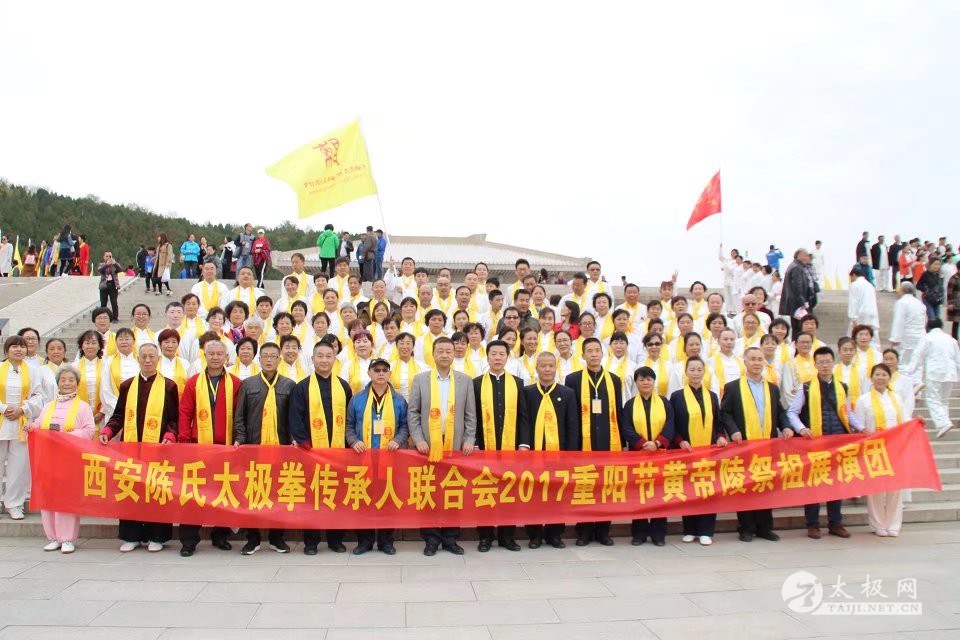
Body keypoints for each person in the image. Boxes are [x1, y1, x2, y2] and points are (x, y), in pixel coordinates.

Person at [99, 344, 179, 551]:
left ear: (158, 359)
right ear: (138, 359)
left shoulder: (169, 386)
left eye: (152, 356)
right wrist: (107, 431)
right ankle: (131, 536)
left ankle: (157, 537)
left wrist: (170, 435)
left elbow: (174, 419)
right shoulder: (127, 386)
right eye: (144, 356)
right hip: (131, 449)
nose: (148, 360)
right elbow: (118, 415)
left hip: (158, 449)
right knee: (131, 490)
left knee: (156, 490)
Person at [407, 337, 477, 556]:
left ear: (454, 354)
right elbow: (413, 412)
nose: (445, 355)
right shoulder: (421, 380)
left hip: (455, 445)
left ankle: (450, 538)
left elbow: (470, 415)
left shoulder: (465, 381)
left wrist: (469, 439)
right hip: (428, 446)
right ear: (433, 354)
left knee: (452, 490)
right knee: (430, 492)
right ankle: (431, 538)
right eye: (441, 351)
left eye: (449, 351)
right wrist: (418, 438)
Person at [787, 346, 865, 539]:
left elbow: (847, 413)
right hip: (814, 444)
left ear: (833, 363)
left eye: (828, 362)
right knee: (813, 484)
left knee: (835, 484)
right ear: (815, 364)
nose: (824, 365)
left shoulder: (842, 387)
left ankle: (835, 523)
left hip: (838, 442)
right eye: (821, 362)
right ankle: (812, 524)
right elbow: (792, 412)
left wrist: (862, 429)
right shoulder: (806, 387)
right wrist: (801, 429)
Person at [176, 337, 241, 556]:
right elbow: (185, 413)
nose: (215, 357)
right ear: (204, 356)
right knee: (193, 495)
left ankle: (220, 535)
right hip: (198, 447)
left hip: (226, 447)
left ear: (226, 357)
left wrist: (238, 440)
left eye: (219, 354)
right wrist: (184, 441)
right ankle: (188, 541)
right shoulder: (194, 382)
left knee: (223, 492)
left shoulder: (235, 383)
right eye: (211, 353)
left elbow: (239, 415)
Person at [288, 341, 354, 554]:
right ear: (313, 359)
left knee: (337, 495)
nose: (324, 360)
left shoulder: (343, 386)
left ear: (334, 359)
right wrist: (305, 443)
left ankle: (335, 539)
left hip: (338, 453)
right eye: (320, 356)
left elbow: (350, 419)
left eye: (328, 356)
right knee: (312, 497)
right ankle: (311, 542)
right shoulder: (302, 387)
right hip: (311, 452)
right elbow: (295, 417)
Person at [721, 347, 791, 543]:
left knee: (765, 485)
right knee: (745, 487)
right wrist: (733, 430)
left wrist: (785, 427)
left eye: (760, 359)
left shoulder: (772, 388)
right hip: (743, 445)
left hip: (767, 445)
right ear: (745, 362)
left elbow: (780, 412)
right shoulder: (733, 387)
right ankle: (746, 528)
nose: (757, 363)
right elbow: (725, 413)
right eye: (752, 359)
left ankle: (764, 528)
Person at [24, 364, 96, 552]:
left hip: (70, 459)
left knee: (66, 497)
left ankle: (67, 539)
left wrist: (66, 436)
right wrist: (31, 427)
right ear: (58, 383)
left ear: (77, 383)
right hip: (48, 458)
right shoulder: (49, 406)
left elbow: (89, 431)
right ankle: (53, 537)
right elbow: (39, 425)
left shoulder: (83, 407)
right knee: (48, 495)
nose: (67, 383)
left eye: (71, 380)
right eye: (63, 380)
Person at [565, 337, 629, 546]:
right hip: (583, 442)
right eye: (589, 351)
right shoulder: (573, 380)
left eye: (597, 350)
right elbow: (571, 415)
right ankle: (584, 531)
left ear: (602, 353)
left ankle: (603, 531)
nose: (593, 354)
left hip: (608, 441)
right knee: (584, 486)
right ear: (583, 355)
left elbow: (618, 412)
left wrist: (622, 442)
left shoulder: (614, 380)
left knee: (605, 487)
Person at [233, 341, 296, 554]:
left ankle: (277, 538)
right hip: (254, 447)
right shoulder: (248, 384)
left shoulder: (289, 385)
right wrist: (240, 439)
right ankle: (253, 538)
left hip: (280, 448)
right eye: (265, 356)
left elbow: (293, 418)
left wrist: (293, 440)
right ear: (259, 360)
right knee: (253, 493)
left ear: (279, 360)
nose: (269, 360)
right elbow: (240, 416)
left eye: (273, 356)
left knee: (279, 493)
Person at [345, 358, 408, 555]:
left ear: (389, 374)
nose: (381, 373)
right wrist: (353, 441)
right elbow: (348, 425)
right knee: (363, 499)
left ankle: (386, 541)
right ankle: (364, 541)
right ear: (369, 373)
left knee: (387, 499)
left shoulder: (399, 400)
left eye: (384, 370)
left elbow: (405, 425)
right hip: (362, 458)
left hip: (389, 458)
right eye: (376, 370)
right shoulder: (357, 399)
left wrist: (398, 439)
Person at [473, 340, 528, 552]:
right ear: (487, 357)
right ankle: (485, 537)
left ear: (507, 357)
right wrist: (474, 443)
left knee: (508, 491)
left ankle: (507, 536)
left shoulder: (518, 383)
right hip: (484, 447)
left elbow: (523, 416)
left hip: (511, 447)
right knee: (485, 490)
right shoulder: (477, 383)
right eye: (493, 354)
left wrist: (523, 444)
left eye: (501, 354)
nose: (497, 358)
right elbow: (472, 417)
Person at [670, 357, 726, 545]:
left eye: (699, 369)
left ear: (704, 372)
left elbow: (718, 422)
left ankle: (706, 531)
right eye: (692, 369)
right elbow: (673, 424)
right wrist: (680, 440)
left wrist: (720, 436)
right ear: (686, 372)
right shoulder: (677, 397)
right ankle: (690, 529)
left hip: (709, 451)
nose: (695, 373)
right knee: (688, 489)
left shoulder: (712, 396)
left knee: (708, 489)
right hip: (686, 451)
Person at [623, 366, 674, 546]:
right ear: (636, 383)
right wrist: (642, 444)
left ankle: (658, 534)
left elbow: (670, 424)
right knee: (640, 495)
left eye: (649, 379)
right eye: (641, 379)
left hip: (660, 455)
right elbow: (626, 427)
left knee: (660, 494)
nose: (645, 382)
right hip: (639, 456)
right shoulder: (630, 405)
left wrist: (657, 443)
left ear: (654, 381)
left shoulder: (664, 402)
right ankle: (639, 533)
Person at [855, 364, 906, 536]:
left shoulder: (896, 398)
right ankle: (878, 524)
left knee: (895, 487)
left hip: (894, 448)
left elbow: (905, 422)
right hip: (874, 449)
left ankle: (893, 524)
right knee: (875, 488)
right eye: (877, 374)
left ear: (889, 378)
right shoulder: (864, 400)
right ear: (871, 378)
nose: (880, 378)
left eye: (884, 374)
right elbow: (860, 426)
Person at [0, 336, 45, 520]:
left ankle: (14, 504)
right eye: (14, 346)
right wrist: (4, 408)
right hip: (2, 420)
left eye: (22, 346)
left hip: (21, 423)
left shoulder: (33, 371)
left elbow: (39, 396)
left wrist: (23, 409)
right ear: (7, 350)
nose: (18, 350)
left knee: (18, 467)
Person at [908, 318, 960, 438]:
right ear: (941, 327)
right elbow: (958, 359)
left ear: (928, 327)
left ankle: (943, 423)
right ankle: (944, 423)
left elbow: (917, 355)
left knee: (932, 399)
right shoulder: (951, 339)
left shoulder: (927, 338)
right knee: (944, 400)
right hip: (950, 373)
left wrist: (909, 371)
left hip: (934, 372)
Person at [889, 282, 928, 378]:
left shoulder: (901, 303)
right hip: (920, 336)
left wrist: (894, 339)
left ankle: (904, 381)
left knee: (903, 362)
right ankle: (916, 383)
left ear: (901, 291)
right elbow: (924, 320)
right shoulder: (920, 303)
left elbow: (898, 321)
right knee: (917, 363)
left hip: (906, 337)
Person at [780, 248, 817, 337]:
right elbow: (797, 287)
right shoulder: (797, 268)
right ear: (799, 256)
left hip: (795, 304)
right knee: (800, 328)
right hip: (797, 305)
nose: (807, 258)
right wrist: (802, 302)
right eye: (805, 255)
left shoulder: (795, 266)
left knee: (797, 328)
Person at [848, 266, 880, 343]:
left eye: (851, 277)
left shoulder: (855, 285)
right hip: (872, 313)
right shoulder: (870, 285)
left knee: (857, 336)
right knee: (872, 335)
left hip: (861, 314)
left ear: (854, 275)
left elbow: (853, 302)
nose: (851, 280)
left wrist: (853, 318)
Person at [97, 250, 122, 321]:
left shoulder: (115, 264)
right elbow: (100, 270)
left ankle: (115, 318)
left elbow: (120, 270)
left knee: (114, 302)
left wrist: (115, 264)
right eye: (107, 256)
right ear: (104, 257)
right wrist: (106, 265)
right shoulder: (102, 264)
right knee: (103, 303)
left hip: (113, 285)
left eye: (110, 256)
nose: (108, 257)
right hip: (104, 285)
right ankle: (103, 317)